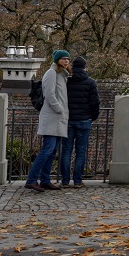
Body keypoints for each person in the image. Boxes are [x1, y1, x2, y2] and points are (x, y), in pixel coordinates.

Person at [25, 50, 71, 192]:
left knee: (52, 151)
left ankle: (45, 180)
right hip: (52, 116)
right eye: (63, 59)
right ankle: (31, 180)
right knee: (47, 150)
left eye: (68, 59)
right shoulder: (51, 73)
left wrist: (61, 112)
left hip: (58, 118)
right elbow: (49, 94)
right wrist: (59, 109)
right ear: (57, 60)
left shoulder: (62, 74)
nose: (66, 61)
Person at [60, 56, 100, 188]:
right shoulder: (90, 82)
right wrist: (93, 116)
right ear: (84, 67)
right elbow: (95, 102)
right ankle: (77, 180)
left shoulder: (66, 81)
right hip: (84, 120)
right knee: (81, 152)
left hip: (68, 120)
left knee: (66, 151)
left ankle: (65, 180)